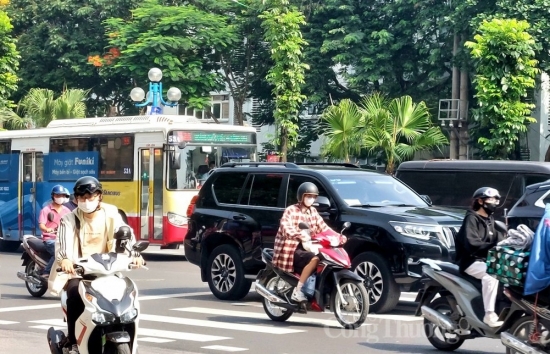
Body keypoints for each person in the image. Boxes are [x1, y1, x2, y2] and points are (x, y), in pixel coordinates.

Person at [51, 176, 144, 354]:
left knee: (127, 289)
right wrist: (65, 260)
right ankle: (73, 341)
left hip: (108, 269)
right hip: (80, 272)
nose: (86, 201)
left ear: (99, 196)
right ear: (76, 199)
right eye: (82, 198)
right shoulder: (68, 220)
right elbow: (62, 244)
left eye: (90, 197)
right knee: (73, 291)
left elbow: (125, 237)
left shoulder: (112, 214)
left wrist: (135, 255)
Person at [272, 182, 345, 302]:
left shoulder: (313, 212)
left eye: (313, 197)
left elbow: (324, 228)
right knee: (314, 259)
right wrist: (299, 234)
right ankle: (298, 291)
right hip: (292, 248)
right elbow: (285, 226)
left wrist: (339, 236)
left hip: (308, 246)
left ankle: (313, 290)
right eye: (308, 196)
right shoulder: (291, 210)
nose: (311, 199)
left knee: (326, 259)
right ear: (301, 196)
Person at [455, 187, 506, 327]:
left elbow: (499, 238)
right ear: (480, 201)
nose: (494, 202)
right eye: (490, 199)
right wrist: (493, 246)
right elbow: (472, 244)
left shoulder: (490, 219)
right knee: (491, 275)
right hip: (470, 262)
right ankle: (489, 314)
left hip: (486, 260)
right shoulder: (471, 218)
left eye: (496, 200)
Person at [38, 185, 71, 278]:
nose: (60, 197)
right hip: (50, 238)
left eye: (62, 195)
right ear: (53, 196)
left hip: (63, 238)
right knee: (58, 253)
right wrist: (47, 229)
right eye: (58, 195)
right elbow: (41, 225)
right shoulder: (46, 210)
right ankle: (46, 272)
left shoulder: (67, 211)